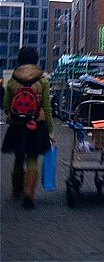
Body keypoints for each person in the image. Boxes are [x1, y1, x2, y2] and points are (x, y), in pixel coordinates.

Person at [1, 46, 55, 208]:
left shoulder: (12, 80)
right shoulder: (43, 80)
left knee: (18, 158)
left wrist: (12, 116)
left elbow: (6, 106)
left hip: (17, 125)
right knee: (32, 158)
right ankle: (29, 192)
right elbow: (47, 107)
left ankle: (15, 191)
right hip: (36, 125)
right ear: (36, 60)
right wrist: (50, 130)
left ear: (20, 60)